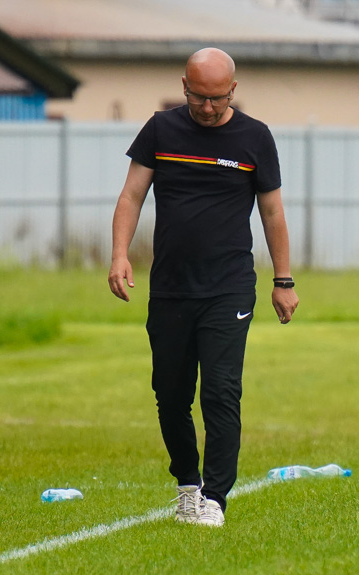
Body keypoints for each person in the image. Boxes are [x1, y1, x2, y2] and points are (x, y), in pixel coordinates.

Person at [108, 48, 299, 527]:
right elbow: (132, 194)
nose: (207, 107)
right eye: (198, 98)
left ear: (232, 90)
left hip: (229, 287)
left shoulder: (255, 138)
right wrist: (118, 254)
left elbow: (272, 213)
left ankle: (215, 497)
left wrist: (283, 280)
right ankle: (187, 485)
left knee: (220, 392)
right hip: (171, 287)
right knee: (170, 395)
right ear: (185, 86)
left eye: (216, 98)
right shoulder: (161, 129)